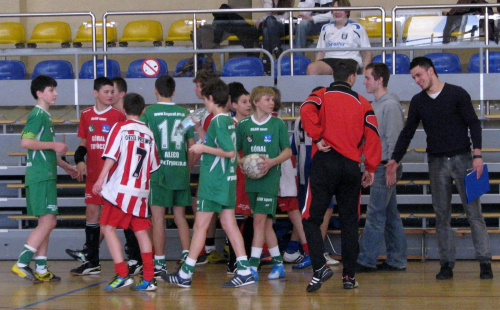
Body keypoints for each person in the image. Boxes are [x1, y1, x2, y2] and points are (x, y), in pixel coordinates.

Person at [386, 56, 493, 280]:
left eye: (419, 75)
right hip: (436, 162)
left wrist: (478, 155)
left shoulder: (457, 93)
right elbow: (408, 132)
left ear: (431, 71)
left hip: (463, 159)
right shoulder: (418, 101)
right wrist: (395, 158)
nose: (416, 80)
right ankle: (446, 264)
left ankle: (484, 261)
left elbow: (473, 123)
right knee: (442, 215)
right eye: (414, 77)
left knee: (474, 213)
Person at [164, 79, 254, 288]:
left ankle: (186, 273)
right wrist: (199, 131)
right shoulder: (228, 121)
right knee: (230, 225)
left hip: (214, 181)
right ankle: (244, 269)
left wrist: (202, 149)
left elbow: (229, 152)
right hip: (226, 181)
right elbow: (218, 142)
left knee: (201, 225)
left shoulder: (218, 121)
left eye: (205, 99)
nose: (204, 103)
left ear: (211, 98)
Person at [300, 59, 381, 292]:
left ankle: (319, 268)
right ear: (352, 78)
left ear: (333, 75)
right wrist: (371, 167)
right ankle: (349, 277)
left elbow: (305, 110)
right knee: (349, 222)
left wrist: (316, 136)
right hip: (351, 167)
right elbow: (373, 135)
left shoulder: (321, 94)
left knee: (312, 219)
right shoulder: (363, 102)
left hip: (325, 162)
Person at [11, 75, 79, 283]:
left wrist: (65, 165)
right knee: (49, 221)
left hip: (44, 174)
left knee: (45, 222)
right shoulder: (38, 115)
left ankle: (41, 269)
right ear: (39, 93)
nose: (55, 93)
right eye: (51, 90)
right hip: (40, 176)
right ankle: (22, 262)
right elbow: (25, 142)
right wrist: (54, 145)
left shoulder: (45, 117)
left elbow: (44, 149)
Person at [93, 93, 160, 291]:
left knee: (107, 228)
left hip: (121, 190)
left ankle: (122, 273)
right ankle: (149, 278)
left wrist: (100, 179)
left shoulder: (120, 128)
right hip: (141, 190)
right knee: (141, 231)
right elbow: (154, 165)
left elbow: (111, 156)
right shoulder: (149, 133)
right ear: (143, 111)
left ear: (123, 110)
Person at [67, 77, 126, 276]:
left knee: (116, 217)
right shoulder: (86, 114)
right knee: (91, 215)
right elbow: (84, 141)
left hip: (112, 175)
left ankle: (134, 259)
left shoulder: (118, 115)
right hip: (92, 174)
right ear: (95, 93)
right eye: (106, 92)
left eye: (112, 92)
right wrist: (79, 159)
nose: (110, 95)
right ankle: (92, 261)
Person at [140, 75, 195, 279]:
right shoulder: (184, 113)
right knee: (181, 216)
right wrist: (186, 167)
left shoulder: (149, 113)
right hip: (180, 170)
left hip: (158, 172)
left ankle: (160, 262)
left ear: (155, 90)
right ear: (174, 91)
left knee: (158, 218)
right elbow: (192, 147)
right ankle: (187, 259)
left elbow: (142, 143)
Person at [236, 86, 292, 281]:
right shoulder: (243, 125)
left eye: (273, 100)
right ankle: (278, 264)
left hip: (270, 178)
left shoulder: (277, 124)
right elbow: (233, 151)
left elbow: (287, 151)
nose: (272, 103)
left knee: (259, 221)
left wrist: (271, 162)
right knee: (266, 224)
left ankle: (252, 266)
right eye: (267, 99)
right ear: (255, 102)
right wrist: (241, 162)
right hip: (252, 180)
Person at [356, 62, 407, 273]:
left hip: (385, 165)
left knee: (376, 214)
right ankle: (397, 259)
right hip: (378, 165)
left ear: (380, 80)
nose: (364, 81)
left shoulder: (390, 106)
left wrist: (390, 168)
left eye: (368, 77)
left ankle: (366, 260)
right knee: (390, 214)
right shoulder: (376, 105)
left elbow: (394, 139)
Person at [291, 112, 340, 267]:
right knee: (323, 209)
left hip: (306, 170)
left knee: (306, 211)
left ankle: (293, 249)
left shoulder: (301, 119)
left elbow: (293, 147)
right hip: (316, 169)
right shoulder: (323, 117)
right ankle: (315, 252)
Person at [191, 69, 227, 265]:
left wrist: (190, 163)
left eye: (197, 85)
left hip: (216, 171)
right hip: (217, 170)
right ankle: (209, 249)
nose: (195, 89)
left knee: (204, 209)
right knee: (227, 219)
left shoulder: (216, 117)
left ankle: (203, 251)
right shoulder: (209, 114)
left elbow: (224, 149)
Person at [226, 82, 254, 274]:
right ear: (234, 105)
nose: (248, 105)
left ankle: (248, 259)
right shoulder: (231, 125)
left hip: (250, 178)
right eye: (244, 102)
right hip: (234, 179)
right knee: (235, 220)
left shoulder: (252, 125)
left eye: (250, 101)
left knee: (251, 218)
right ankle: (233, 261)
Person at [306, 0, 372, 76]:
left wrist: (365, 73)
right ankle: (318, 88)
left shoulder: (357, 28)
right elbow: (321, 52)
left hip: (349, 60)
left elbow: (368, 52)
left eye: (340, 9)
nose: (337, 12)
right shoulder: (326, 28)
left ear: (347, 11)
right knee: (312, 68)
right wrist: (318, 64)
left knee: (341, 71)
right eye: (334, 9)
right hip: (330, 61)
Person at [255, 0, 295, 74]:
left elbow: (284, 17)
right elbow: (268, 11)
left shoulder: (288, 1)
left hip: (283, 26)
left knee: (269, 21)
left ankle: (267, 61)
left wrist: (263, 19)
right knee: (266, 30)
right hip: (271, 28)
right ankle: (276, 50)